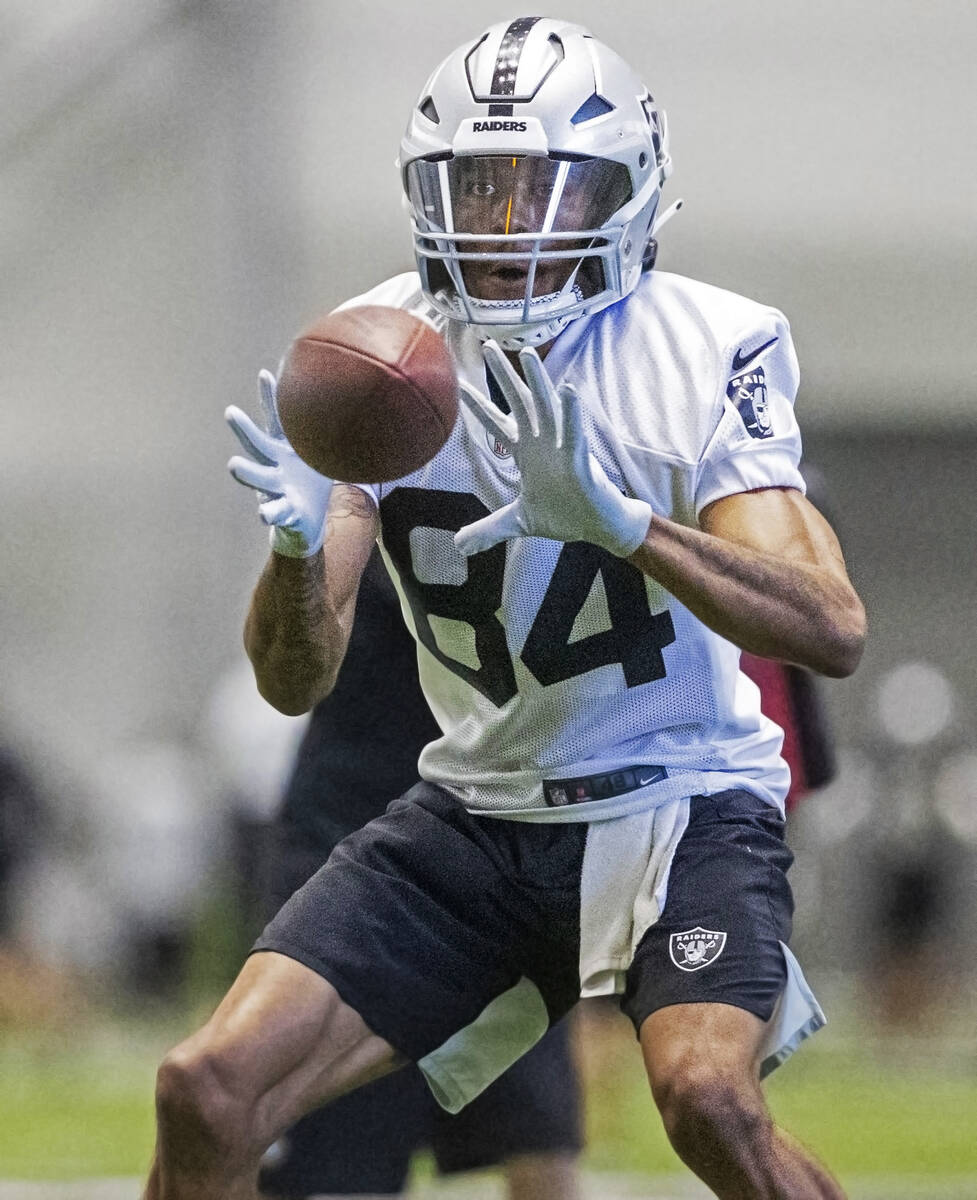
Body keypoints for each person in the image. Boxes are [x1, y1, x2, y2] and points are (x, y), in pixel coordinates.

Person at [145, 17, 867, 1200]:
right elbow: (295, 679)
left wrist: (621, 522)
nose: (505, 226)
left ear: (629, 192)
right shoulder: (383, 361)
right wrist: (292, 547)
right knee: (206, 1087)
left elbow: (829, 626)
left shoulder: (701, 346)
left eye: (545, 187)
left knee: (708, 1103)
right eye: (477, 187)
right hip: (476, 814)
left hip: (676, 799)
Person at [257, 547, 582, 1199]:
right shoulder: (368, 487)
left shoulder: (552, 468)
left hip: (494, 835)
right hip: (353, 840)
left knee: (537, 1139)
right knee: (338, 1155)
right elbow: (291, 669)